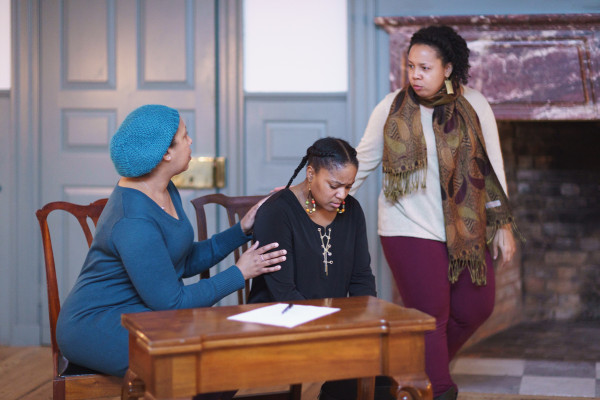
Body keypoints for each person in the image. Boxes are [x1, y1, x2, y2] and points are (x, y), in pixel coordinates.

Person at [56, 105, 286, 387]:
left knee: (224, 356)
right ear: (165, 152)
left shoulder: (163, 188)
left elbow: (183, 261)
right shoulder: (133, 219)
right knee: (203, 365)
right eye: (185, 136)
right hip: (96, 325)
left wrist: (241, 231)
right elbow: (173, 302)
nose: (191, 142)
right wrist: (240, 273)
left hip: (141, 312)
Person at [350, 26, 522, 400]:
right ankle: (438, 390)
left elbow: (493, 167)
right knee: (431, 318)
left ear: (447, 68)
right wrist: (309, 194)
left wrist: (503, 224)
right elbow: (360, 164)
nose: (415, 75)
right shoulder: (391, 106)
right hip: (406, 227)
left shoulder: (476, 104)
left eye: (425, 67)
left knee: (477, 307)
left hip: (465, 229)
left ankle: (404, 373)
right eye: (410, 65)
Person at [248, 137, 395, 400]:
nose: (343, 195)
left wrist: (364, 324)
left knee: (384, 377)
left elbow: (361, 277)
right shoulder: (278, 211)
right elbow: (283, 292)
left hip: (333, 326)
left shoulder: (351, 210)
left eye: (348, 186)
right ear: (310, 172)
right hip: (280, 325)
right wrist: (333, 331)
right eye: (334, 185)